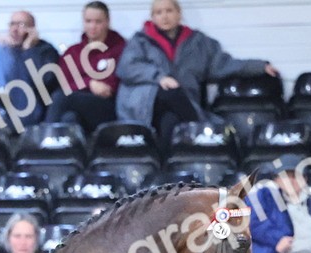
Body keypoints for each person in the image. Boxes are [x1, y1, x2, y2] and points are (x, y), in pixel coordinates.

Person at [115, 0, 278, 149]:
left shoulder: (199, 42)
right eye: (158, 12)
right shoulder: (140, 41)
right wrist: (159, 77)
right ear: (152, 17)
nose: (164, 16)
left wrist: (259, 66)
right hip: (146, 104)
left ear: (179, 13)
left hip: (183, 104)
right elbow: (127, 67)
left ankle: (168, 166)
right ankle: (203, 127)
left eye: (169, 11)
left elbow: (223, 64)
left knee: (170, 123)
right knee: (170, 93)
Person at [44, 2, 127, 134]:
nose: (92, 26)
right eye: (88, 21)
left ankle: (45, 138)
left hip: (108, 107)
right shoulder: (73, 52)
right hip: (79, 106)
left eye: (98, 22)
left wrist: (82, 84)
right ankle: (67, 147)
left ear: (107, 22)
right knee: (69, 118)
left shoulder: (121, 49)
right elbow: (64, 84)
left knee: (61, 98)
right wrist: (90, 83)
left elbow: (111, 87)